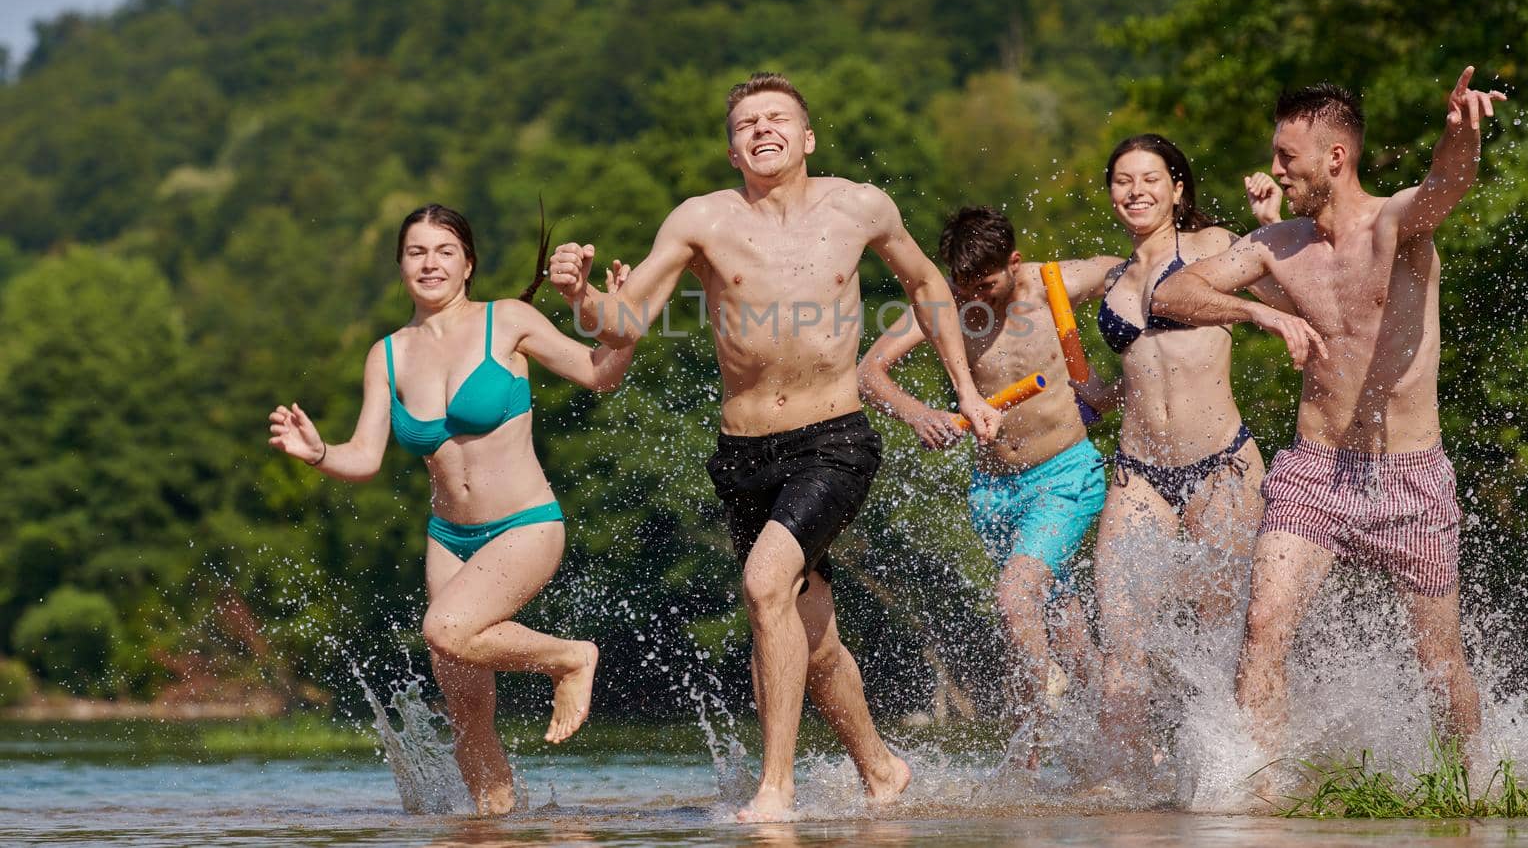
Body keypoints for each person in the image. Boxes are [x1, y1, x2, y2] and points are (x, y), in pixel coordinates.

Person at [546, 72, 1002, 822]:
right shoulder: (700, 220)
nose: (762, 129)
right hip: (743, 455)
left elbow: (928, 284)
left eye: (776, 118)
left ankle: (775, 790)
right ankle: (882, 770)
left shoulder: (859, 206)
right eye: (747, 123)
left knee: (765, 586)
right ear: (732, 150)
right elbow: (624, 324)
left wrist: (966, 391)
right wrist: (581, 295)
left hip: (834, 441)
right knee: (810, 638)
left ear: (807, 136)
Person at [1150, 68, 1504, 768]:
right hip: (1314, 471)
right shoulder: (1277, 245)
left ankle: (1476, 788)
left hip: (1411, 477)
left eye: (1288, 156)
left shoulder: (1396, 225)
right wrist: (1255, 309)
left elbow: (1446, 184)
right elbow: (1173, 294)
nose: (1277, 169)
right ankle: (1257, 792)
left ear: (1334, 158)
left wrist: (1461, 135)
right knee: (1263, 626)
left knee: (1439, 658)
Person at [267, 204, 636, 815]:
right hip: (448, 539)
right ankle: (494, 823)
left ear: (468, 264)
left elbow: (601, 375)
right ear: (401, 266)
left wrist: (617, 325)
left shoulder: (507, 321)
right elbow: (364, 456)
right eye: (417, 252)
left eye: (444, 251)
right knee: (466, 706)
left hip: (525, 526)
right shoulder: (387, 355)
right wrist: (318, 452)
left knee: (445, 628)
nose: (430, 263)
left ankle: (572, 658)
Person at [857, 206, 1119, 729]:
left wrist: (1113, 388)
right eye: (963, 282)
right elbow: (868, 373)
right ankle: (1122, 744)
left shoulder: (1053, 283)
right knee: (1064, 626)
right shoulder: (947, 304)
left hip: (1067, 474)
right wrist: (919, 415)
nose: (974, 293)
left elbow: (1138, 271)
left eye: (987, 283)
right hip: (993, 493)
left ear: (1014, 263)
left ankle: (1035, 742)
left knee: (1014, 598)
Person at [1084, 134, 1290, 777]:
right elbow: (1147, 368)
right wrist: (1097, 395)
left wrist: (1273, 227)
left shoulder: (1211, 247)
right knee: (1119, 636)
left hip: (1220, 465)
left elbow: (1285, 299)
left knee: (1227, 633)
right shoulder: (1116, 278)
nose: (1135, 190)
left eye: (1150, 178)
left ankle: (1246, 773)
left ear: (1178, 188)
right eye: (1122, 180)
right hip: (1137, 472)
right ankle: (1124, 790)